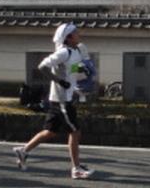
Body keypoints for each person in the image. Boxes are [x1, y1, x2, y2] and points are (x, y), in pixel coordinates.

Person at [13, 23, 94, 179]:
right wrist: (59, 82)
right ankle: (76, 168)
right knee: (75, 132)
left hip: (62, 98)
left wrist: (82, 72)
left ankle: (23, 151)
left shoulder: (74, 52)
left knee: (50, 132)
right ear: (68, 37)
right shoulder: (63, 52)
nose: (79, 34)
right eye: (76, 33)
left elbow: (69, 70)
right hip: (62, 101)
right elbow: (42, 66)